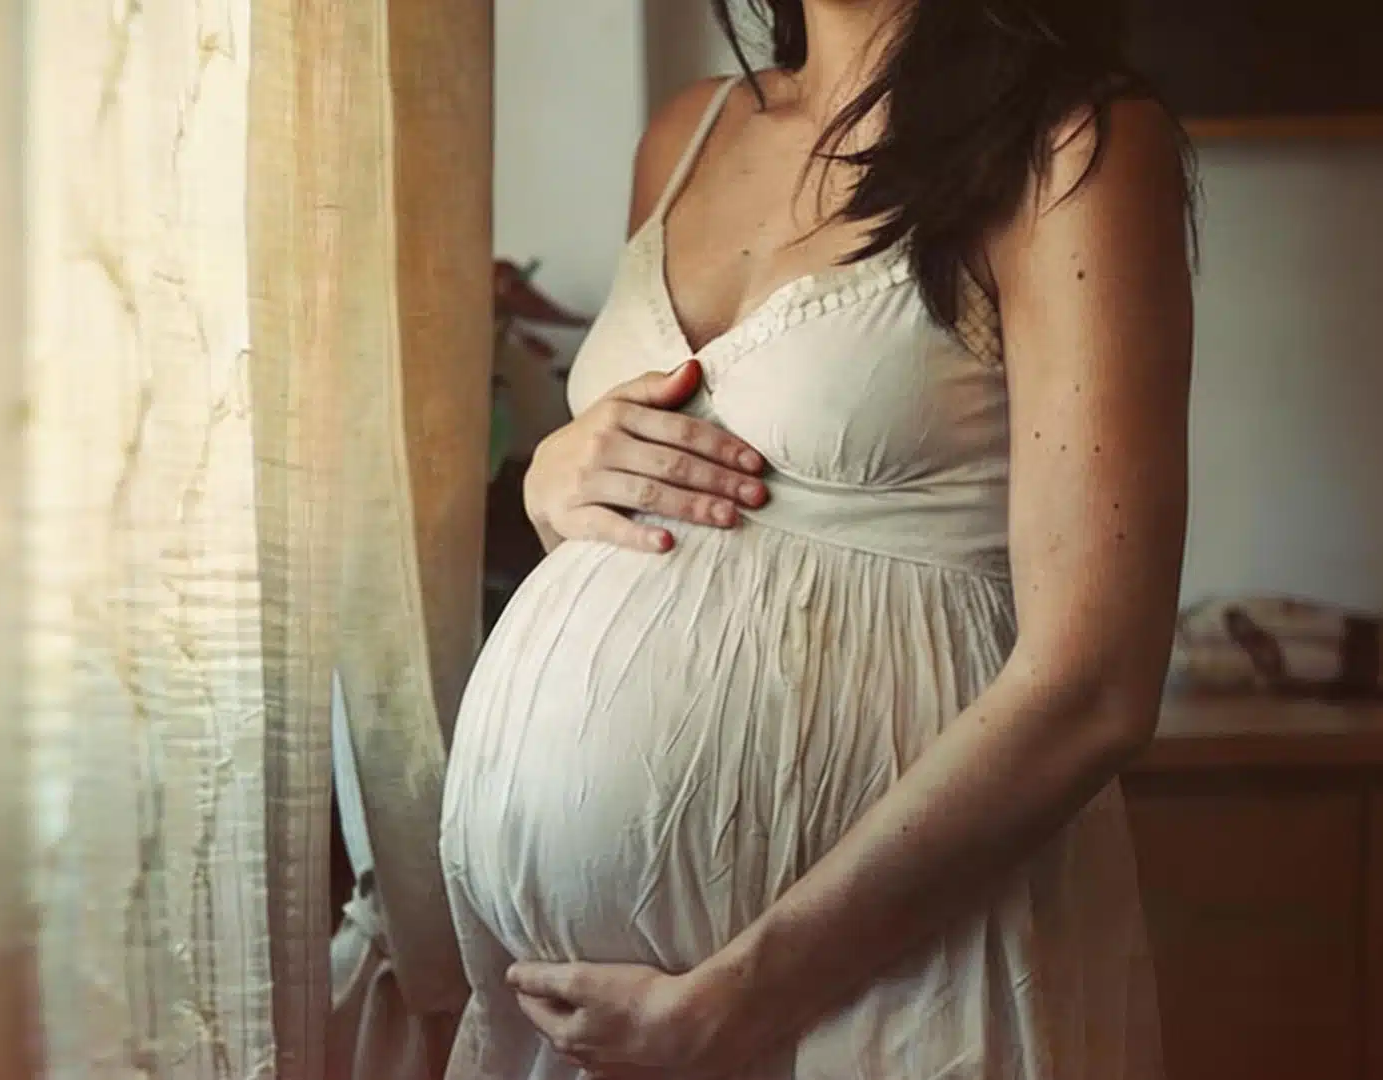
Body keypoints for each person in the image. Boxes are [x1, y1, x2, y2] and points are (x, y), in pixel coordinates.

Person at [440, 0, 1195, 1075]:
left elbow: (1097, 686)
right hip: (580, 1023)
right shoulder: (687, 134)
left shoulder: (1073, 144)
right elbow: (668, 495)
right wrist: (556, 478)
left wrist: (740, 996)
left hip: (883, 984)